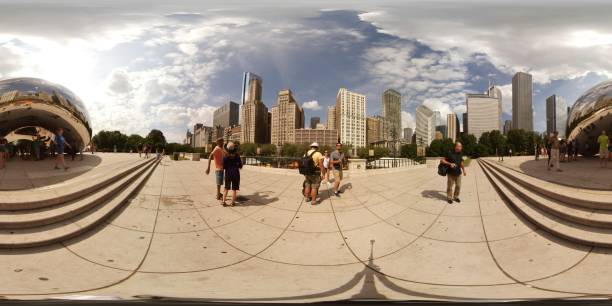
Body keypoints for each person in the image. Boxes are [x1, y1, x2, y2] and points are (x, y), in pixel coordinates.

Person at [222, 141, 243, 206]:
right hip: (236, 174)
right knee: (234, 189)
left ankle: (223, 201)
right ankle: (233, 202)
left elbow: (224, 167)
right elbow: (240, 166)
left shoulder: (225, 157)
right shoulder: (237, 156)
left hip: (228, 173)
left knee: (226, 188)